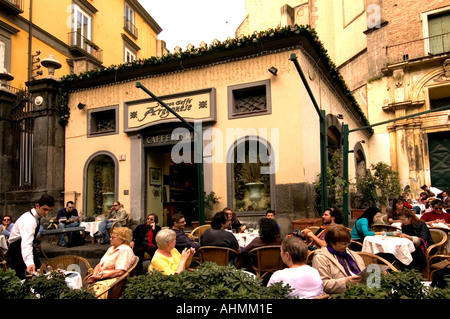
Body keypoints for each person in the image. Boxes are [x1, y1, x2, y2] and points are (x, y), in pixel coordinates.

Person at [7, 193, 55, 279]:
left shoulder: (35, 217)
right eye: (45, 209)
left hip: (23, 248)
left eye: (49, 210)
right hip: (17, 251)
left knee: (40, 276)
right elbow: (26, 243)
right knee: (25, 280)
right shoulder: (29, 221)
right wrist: (29, 263)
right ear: (37, 206)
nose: (46, 213)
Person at [312, 224, 365, 295]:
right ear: (332, 243)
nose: (347, 246)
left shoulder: (352, 254)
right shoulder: (321, 258)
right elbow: (323, 284)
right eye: (343, 244)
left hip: (362, 289)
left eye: (348, 243)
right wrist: (345, 282)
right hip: (343, 294)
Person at [87, 227, 136, 298]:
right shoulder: (111, 248)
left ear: (122, 240)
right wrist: (94, 276)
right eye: (110, 237)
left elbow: (120, 272)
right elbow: (99, 264)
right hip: (100, 277)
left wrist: (100, 277)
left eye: (113, 237)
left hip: (112, 282)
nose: (110, 239)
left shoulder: (125, 250)